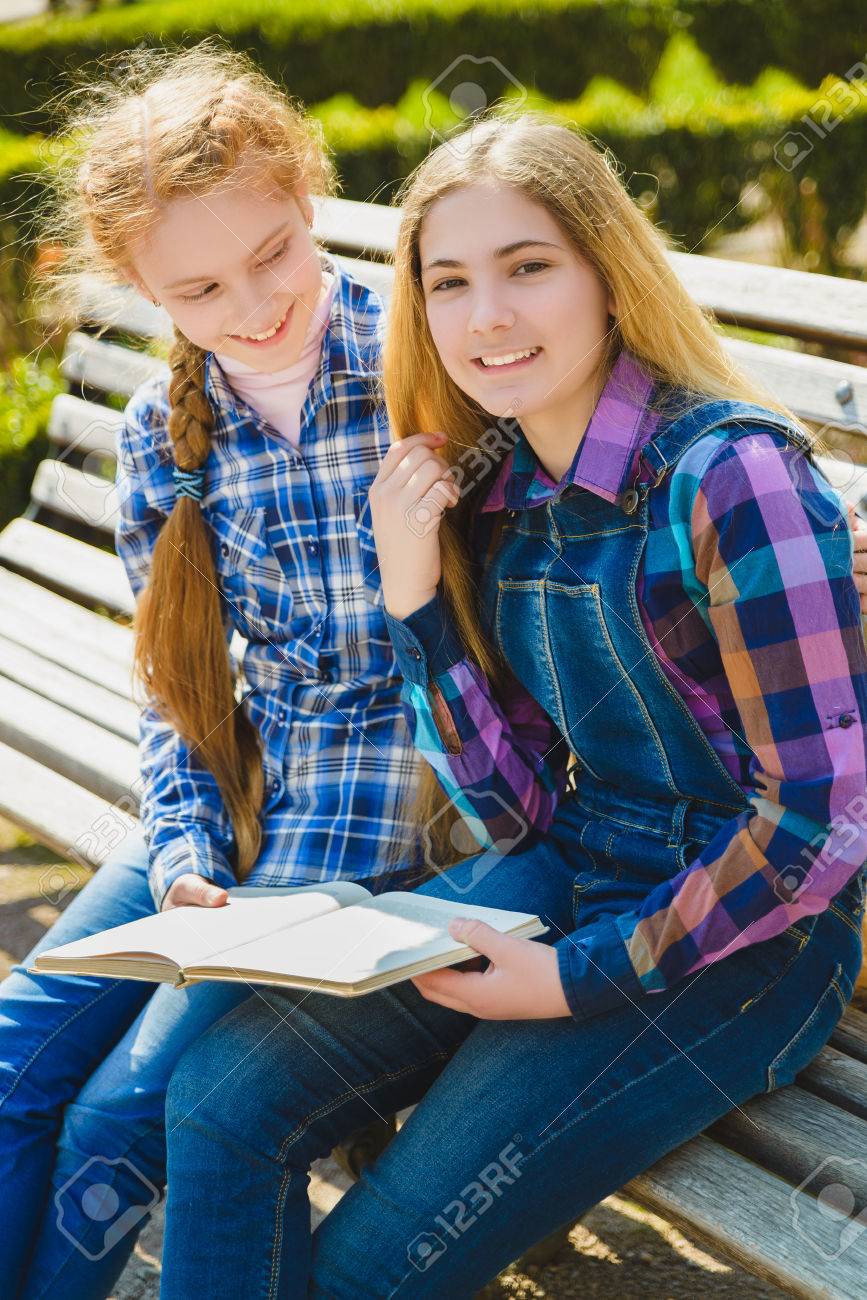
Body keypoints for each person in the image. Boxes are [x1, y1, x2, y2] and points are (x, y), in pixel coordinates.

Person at [161, 113, 867, 1298]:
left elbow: (822, 822)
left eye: (528, 266)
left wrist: (577, 976)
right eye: (450, 282)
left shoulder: (731, 478)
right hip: (580, 859)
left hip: (752, 936)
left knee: (373, 1267)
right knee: (218, 1104)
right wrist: (416, 594)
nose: (488, 315)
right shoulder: (502, 490)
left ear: (605, 272)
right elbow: (516, 805)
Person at [0, 42, 422, 1299]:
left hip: (385, 826)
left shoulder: (427, 360)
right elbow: (180, 688)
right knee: (17, 1070)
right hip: (237, 804)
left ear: (311, 198)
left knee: (117, 1121)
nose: (253, 306)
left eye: (275, 254)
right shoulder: (160, 433)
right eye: (198, 288)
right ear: (137, 286)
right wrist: (183, 859)